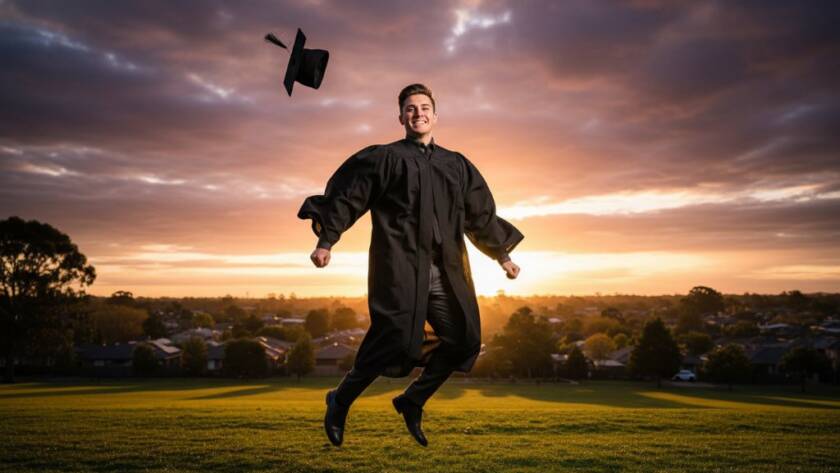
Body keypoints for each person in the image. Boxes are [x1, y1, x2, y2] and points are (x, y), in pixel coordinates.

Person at [298, 83, 523, 447]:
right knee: (394, 338)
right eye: (410, 108)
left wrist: (504, 256)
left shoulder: (456, 165)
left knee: (465, 338)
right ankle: (340, 400)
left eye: (424, 107)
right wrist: (326, 242)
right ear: (401, 117)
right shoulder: (385, 158)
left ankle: (412, 400)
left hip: (446, 271)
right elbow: (348, 197)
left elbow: (480, 215)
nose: (418, 113)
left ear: (435, 115)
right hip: (400, 268)